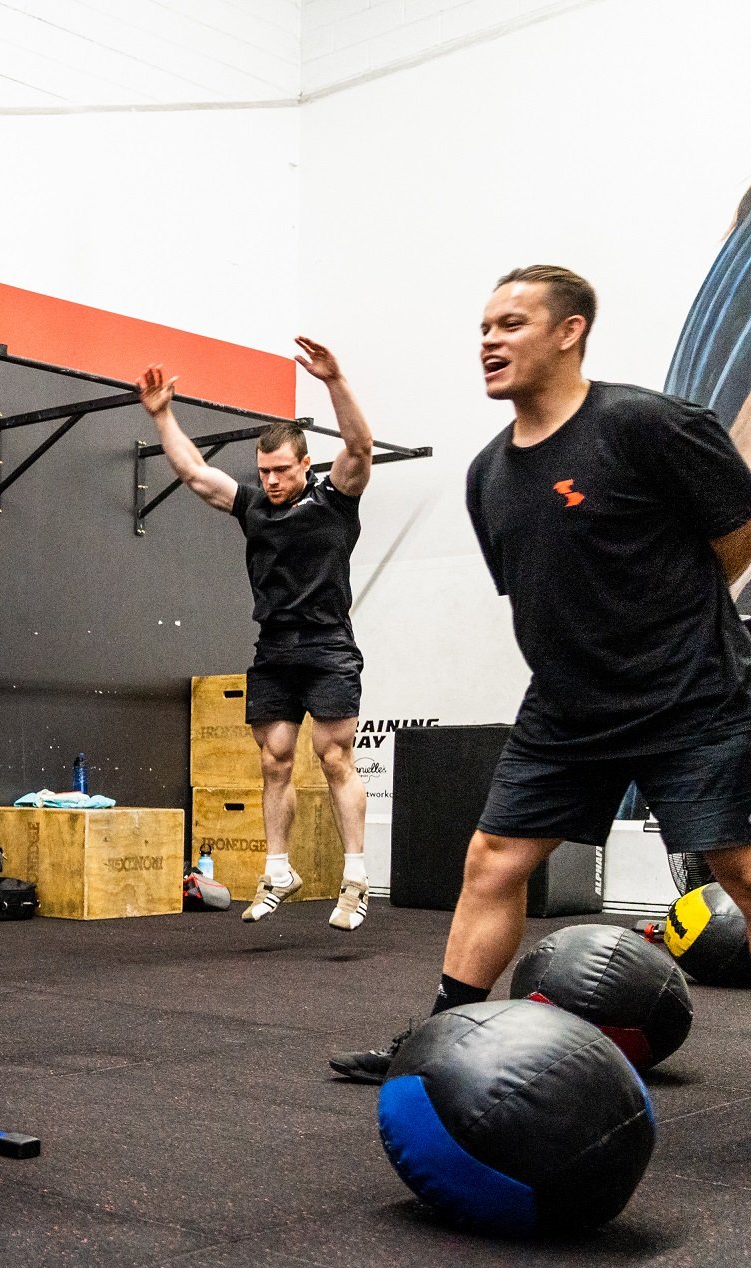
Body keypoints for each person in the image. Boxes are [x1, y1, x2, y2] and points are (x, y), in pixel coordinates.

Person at [331, 265, 751, 1083]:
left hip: (690, 693)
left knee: (738, 866)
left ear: (570, 332)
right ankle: (442, 1042)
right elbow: (541, 587)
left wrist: (675, 616)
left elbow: (737, 533)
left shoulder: (646, 424)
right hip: (566, 708)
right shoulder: (489, 473)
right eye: (485, 327)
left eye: (512, 324)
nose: (489, 340)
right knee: (492, 858)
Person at [139, 339, 376, 930]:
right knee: (274, 761)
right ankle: (278, 870)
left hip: (327, 647)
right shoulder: (253, 508)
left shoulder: (334, 502)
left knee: (333, 756)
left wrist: (334, 378)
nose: (269, 481)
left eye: (280, 471)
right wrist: (163, 415)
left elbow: (360, 446)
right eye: (263, 471)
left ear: (304, 467)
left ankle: (356, 878)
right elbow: (194, 474)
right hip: (273, 649)